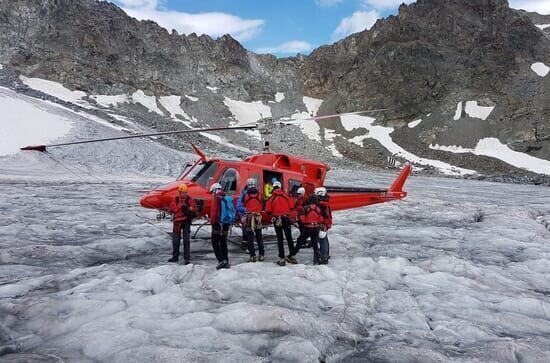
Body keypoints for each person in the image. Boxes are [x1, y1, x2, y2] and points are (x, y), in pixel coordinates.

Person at [287, 194, 324, 264]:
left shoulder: (306, 208)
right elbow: (321, 219)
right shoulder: (318, 208)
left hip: (307, 228)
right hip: (315, 228)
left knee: (300, 241)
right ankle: (318, 259)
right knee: (315, 244)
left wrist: (307, 221)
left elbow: (302, 219)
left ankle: (291, 255)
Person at [265, 181, 294, 266]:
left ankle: (281, 258)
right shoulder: (286, 196)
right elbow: (291, 207)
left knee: (280, 239)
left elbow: (268, 211)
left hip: (277, 219)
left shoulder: (272, 198)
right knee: (289, 238)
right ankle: (291, 255)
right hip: (286, 218)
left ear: (273, 187)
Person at [167, 184, 197, 264]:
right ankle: (175, 256)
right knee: (176, 240)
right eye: (182, 192)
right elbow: (171, 209)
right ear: (179, 192)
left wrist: (189, 208)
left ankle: (187, 258)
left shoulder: (189, 199)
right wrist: (180, 207)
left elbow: (194, 208)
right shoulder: (176, 200)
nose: (184, 194)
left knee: (186, 240)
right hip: (177, 223)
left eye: (185, 192)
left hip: (186, 222)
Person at [209, 183, 230, 269]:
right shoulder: (226, 197)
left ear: (214, 190)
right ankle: (226, 260)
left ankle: (221, 260)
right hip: (226, 223)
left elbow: (214, 212)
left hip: (217, 223)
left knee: (215, 242)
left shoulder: (216, 199)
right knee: (223, 242)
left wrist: (212, 222)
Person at [243, 178, 264, 262]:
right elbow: (263, 203)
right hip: (257, 217)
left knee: (250, 237)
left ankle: (253, 255)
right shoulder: (260, 194)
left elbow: (243, 203)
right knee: (259, 236)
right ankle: (261, 254)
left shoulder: (245, 195)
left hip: (249, 217)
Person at [316, 187, 332, 265]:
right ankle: (326, 255)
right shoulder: (326, 203)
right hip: (326, 223)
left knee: (322, 240)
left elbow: (323, 215)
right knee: (325, 239)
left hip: (322, 224)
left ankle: (324, 258)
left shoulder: (321, 204)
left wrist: (321, 223)